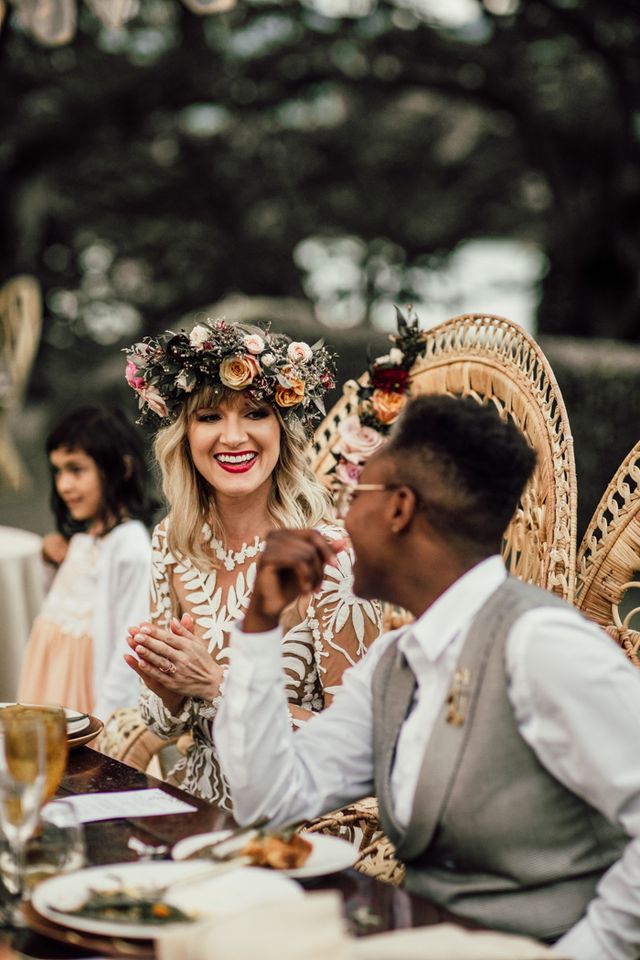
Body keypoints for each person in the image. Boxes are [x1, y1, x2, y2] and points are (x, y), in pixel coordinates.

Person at [214, 394, 640, 959]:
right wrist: (260, 625)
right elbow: (269, 802)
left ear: (399, 508)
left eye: (353, 493)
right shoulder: (395, 662)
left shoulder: (541, 645)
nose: (341, 515)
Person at [123, 318, 381, 808]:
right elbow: (159, 723)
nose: (234, 437)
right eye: (209, 417)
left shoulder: (329, 558)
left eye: (255, 413)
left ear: (282, 428)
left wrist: (215, 684)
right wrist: (168, 690)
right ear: (184, 434)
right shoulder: (171, 542)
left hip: (296, 823)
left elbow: (357, 748)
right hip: (191, 806)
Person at [18, 406, 156, 722]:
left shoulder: (131, 549)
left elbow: (129, 648)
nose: (64, 485)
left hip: (84, 701)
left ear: (121, 469)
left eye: (76, 470)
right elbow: (62, 612)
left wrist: (108, 720)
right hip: (50, 684)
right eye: (58, 471)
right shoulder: (86, 538)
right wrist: (51, 563)